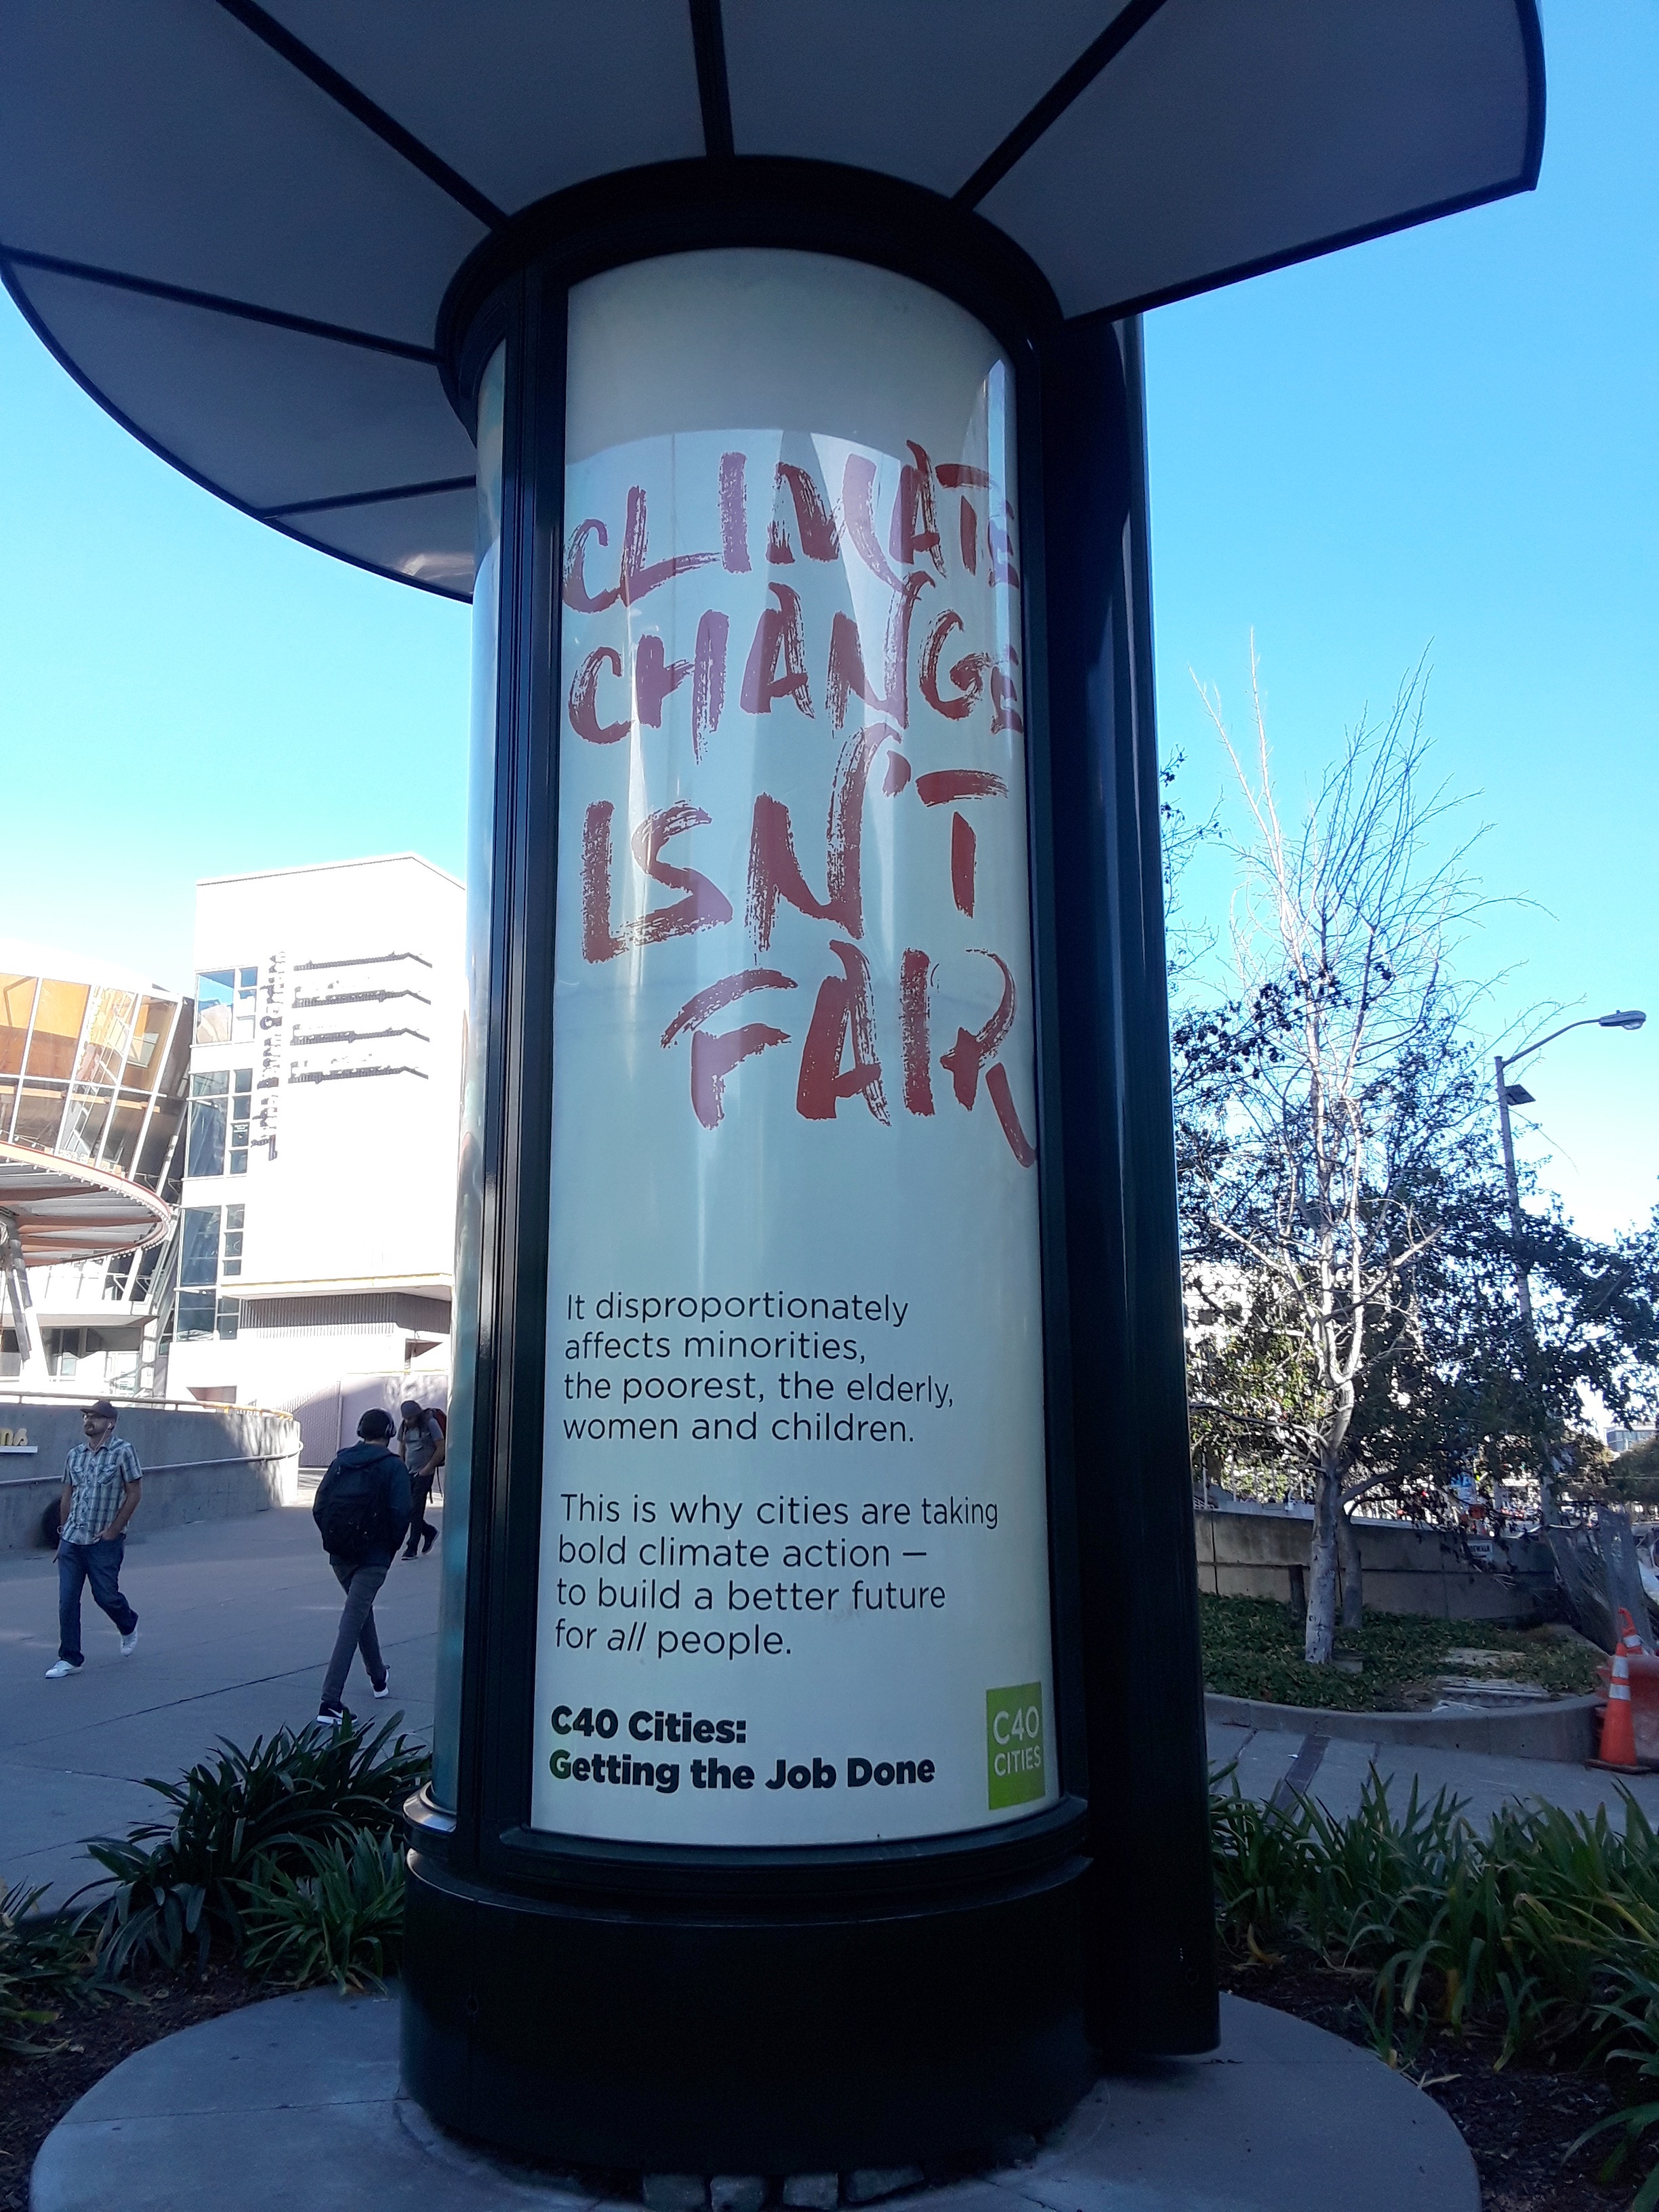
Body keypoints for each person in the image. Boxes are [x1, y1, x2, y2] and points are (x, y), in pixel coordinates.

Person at [312, 1407, 411, 1725]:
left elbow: (320, 1506)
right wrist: (389, 1550)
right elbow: (401, 1513)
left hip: (340, 1555)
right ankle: (330, 1702)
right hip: (373, 1555)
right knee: (352, 1620)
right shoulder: (393, 1467)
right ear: (390, 1433)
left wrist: (335, 1539)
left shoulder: (341, 1462)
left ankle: (379, 1677)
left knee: (360, 1612)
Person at [47, 1399, 142, 1678]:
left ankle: (127, 1624)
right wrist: (63, 1533)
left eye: (96, 1417)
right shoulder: (75, 1454)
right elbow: (68, 1494)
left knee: (106, 1596)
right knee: (67, 1601)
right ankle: (70, 1658)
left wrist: (114, 1530)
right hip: (73, 1539)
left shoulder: (123, 1452)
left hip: (103, 1541)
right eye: (86, 1416)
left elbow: (134, 1493)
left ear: (109, 1423)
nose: (89, 1420)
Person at [396, 1398, 445, 1559]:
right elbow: (402, 1447)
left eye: (410, 1418)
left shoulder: (430, 1423)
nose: (407, 1421)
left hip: (424, 1473)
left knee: (416, 1509)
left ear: (417, 1415)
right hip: (409, 1473)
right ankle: (429, 1532)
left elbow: (441, 1447)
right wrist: (401, 1467)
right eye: (405, 1418)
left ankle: (412, 1547)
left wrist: (428, 1468)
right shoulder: (404, 1426)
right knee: (406, 1508)